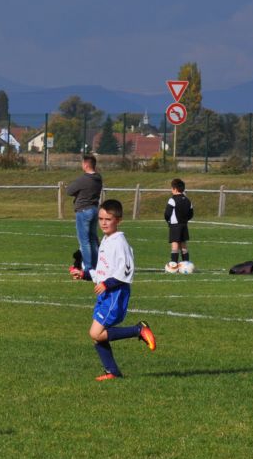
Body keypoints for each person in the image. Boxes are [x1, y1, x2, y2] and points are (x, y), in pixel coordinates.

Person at [69, 199, 156, 380]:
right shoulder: (107, 240)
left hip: (115, 293)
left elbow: (126, 271)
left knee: (96, 333)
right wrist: (84, 274)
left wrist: (107, 284)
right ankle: (112, 372)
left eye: (108, 219)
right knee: (97, 336)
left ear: (119, 220)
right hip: (106, 294)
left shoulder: (119, 242)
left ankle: (138, 330)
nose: (103, 223)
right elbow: (103, 271)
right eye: (101, 219)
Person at [67, 154, 103, 274]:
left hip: (83, 211)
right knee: (93, 239)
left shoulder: (84, 179)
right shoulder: (98, 178)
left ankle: (88, 268)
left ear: (86, 165)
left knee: (84, 241)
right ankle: (97, 266)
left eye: (82, 163)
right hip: (94, 209)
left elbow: (69, 191)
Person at [164, 178, 194, 272]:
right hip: (184, 225)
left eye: (172, 188)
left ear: (175, 189)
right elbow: (191, 214)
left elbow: (167, 213)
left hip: (175, 225)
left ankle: (173, 265)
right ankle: (186, 264)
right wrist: (185, 220)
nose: (171, 190)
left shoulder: (172, 200)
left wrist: (168, 220)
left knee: (175, 244)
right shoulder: (188, 200)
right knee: (183, 244)